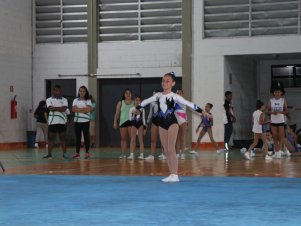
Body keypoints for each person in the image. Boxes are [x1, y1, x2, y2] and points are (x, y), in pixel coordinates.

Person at [137, 72, 202, 182]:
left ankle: (175, 175)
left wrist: (203, 112)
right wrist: (138, 107)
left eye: (167, 81)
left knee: (171, 148)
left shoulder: (175, 96)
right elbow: (146, 101)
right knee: (166, 150)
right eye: (163, 80)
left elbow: (189, 104)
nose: (164, 82)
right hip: (162, 124)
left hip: (172, 123)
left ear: (173, 83)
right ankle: (172, 174)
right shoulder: (158, 95)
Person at [43, 85, 68, 159]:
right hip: (52, 122)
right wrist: (59, 108)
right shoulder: (49, 99)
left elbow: (64, 109)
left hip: (62, 122)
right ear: (53, 91)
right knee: (51, 138)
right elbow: (50, 108)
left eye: (58, 90)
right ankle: (49, 154)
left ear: (60, 91)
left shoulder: (64, 99)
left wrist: (55, 108)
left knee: (63, 138)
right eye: (55, 90)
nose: (57, 92)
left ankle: (65, 154)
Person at [72, 86, 93, 159]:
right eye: (80, 91)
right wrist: (83, 109)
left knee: (86, 136)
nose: (82, 92)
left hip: (85, 121)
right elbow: (73, 109)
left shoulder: (88, 100)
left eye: (83, 91)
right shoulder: (75, 100)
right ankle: (77, 153)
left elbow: (88, 109)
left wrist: (79, 109)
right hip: (77, 121)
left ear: (86, 92)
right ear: (79, 92)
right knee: (78, 137)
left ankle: (87, 152)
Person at [268, 81, 288, 158]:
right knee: (275, 137)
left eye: (279, 92)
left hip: (281, 121)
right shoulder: (271, 100)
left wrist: (279, 111)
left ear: (281, 93)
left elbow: (286, 111)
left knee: (281, 137)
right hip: (273, 121)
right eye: (276, 92)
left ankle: (280, 151)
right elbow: (267, 111)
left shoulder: (283, 100)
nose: (277, 93)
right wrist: (272, 113)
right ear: (273, 92)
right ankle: (276, 152)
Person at [113, 89, 134, 158]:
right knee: (123, 139)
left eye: (129, 93)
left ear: (131, 95)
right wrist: (115, 122)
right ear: (124, 95)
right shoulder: (120, 103)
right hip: (123, 122)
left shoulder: (134, 103)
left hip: (131, 122)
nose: (128, 95)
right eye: (126, 93)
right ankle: (123, 154)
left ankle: (131, 154)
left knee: (132, 139)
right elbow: (117, 113)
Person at [144, 90, 162, 160]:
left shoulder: (164, 101)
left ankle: (163, 154)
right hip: (154, 121)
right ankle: (152, 155)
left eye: (155, 94)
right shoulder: (152, 102)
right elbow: (150, 113)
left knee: (162, 139)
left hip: (162, 121)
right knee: (153, 139)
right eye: (153, 94)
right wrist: (147, 122)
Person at [175, 89, 188, 160]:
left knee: (183, 138)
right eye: (178, 93)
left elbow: (185, 112)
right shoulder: (173, 102)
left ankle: (182, 153)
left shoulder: (185, 101)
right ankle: (177, 153)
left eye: (180, 93)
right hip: (176, 121)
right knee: (177, 138)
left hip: (183, 121)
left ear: (182, 94)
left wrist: (187, 121)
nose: (179, 94)